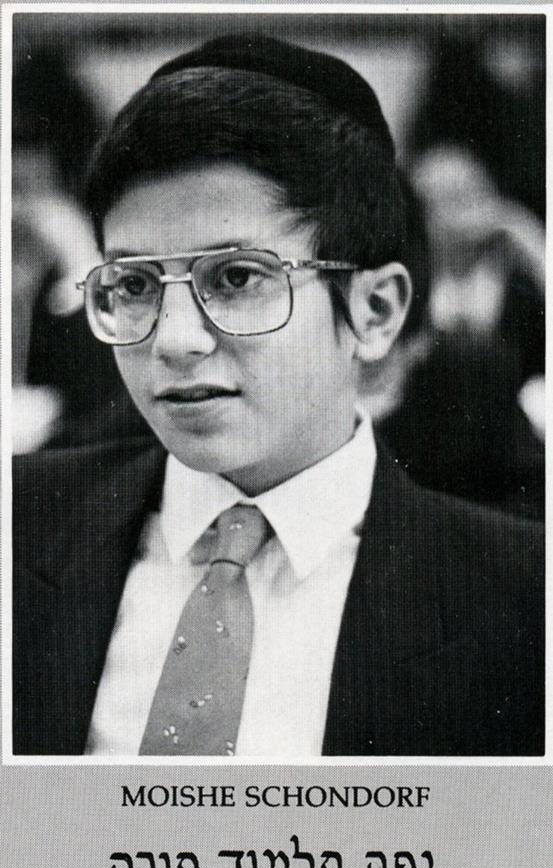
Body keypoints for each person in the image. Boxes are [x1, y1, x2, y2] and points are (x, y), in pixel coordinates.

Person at [12, 34, 544, 757]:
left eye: (236, 278)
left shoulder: (521, 603)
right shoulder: (19, 530)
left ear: (375, 310)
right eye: (133, 284)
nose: (174, 340)